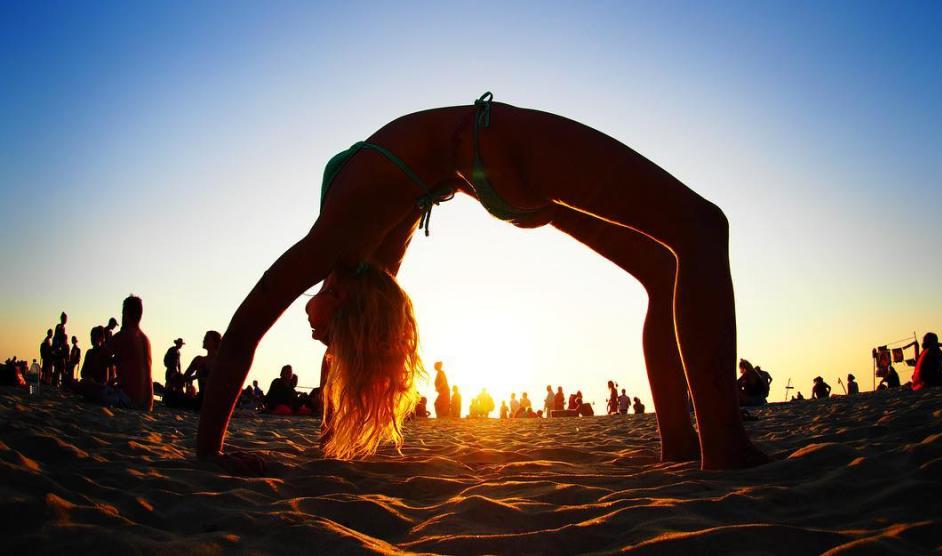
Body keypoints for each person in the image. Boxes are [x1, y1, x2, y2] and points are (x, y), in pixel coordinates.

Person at [198, 93, 767, 470]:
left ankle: (679, 442)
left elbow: (281, 343)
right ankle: (724, 443)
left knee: (662, 267)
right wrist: (210, 454)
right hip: (489, 144)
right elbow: (245, 329)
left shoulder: (364, 261)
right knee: (701, 227)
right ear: (344, 299)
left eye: (325, 337)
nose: (316, 336)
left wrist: (304, 435)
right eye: (327, 335)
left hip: (484, 175)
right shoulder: (344, 249)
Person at [109, 296, 153, 411]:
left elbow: (99, 357)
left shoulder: (124, 335)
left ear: (126, 313)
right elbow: (149, 375)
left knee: (86, 385)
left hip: (127, 399)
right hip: (145, 403)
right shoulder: (145, 340)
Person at [183, 331, 220, 406]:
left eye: (206, 338)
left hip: (214, 399)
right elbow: (185, 377)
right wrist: (194, 378)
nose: (203, 340)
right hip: (201, 397)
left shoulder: (220, 361)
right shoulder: (198, 359)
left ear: (215, 342)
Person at [52, 313, 69, 387]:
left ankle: (60, 382)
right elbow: (56, 338)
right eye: (64, 318)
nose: (65, 320)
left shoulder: (63, 327)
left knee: (62, 367)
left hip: (61, 350)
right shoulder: (59, 327)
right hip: (58, 350)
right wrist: (57, 348)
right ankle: (56, 382)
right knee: (58, 367)